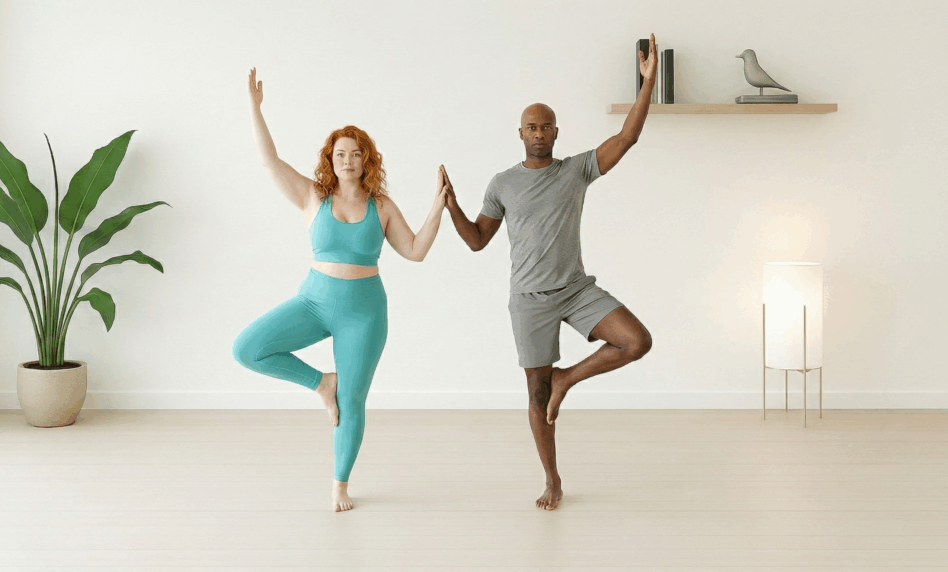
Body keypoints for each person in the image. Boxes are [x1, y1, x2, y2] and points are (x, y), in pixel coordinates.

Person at [441, 35, 659, 511]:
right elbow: (477, 240)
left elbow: (627, 138)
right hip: (529, 300)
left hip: (576, 290)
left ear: (556, 132)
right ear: (520, 133)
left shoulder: (576, 170)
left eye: (545, 127)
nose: (538, 133)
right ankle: (553, 480)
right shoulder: (503, 183)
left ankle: (568, 379)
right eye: (531, 127)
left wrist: (648, 82)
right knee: (536, 395)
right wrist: (452, 205)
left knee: (636, 341)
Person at [232, 68, 448, 512]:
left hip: (364, 314)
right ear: (330, 160)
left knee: (352, 401)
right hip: (313, 303)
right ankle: (321, 383)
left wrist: (437, 207)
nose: (347, 160)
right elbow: (269, 161)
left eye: (355, 154)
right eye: (340, 154)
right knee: (248, 349)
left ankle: (339, 485)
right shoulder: (312, 196)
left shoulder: (381, 206)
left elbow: (414, 250)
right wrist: (255, 108)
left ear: (367, 160)